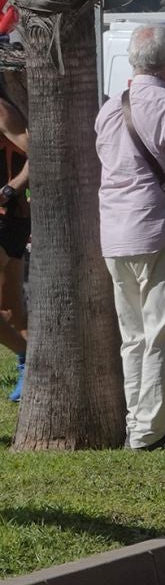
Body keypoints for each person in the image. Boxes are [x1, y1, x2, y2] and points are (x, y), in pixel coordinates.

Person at [96, 23, 165, 451]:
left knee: (134, 336)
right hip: (155, 228)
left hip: (114, 231)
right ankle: (149, 432)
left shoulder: (109, 109)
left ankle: (137, 423)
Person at [0, 89, 30, 401]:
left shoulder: (2, 110)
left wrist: (10, 189)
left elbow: (39, 153)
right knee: (10, 313)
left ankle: (28, 357)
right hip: (12, 222)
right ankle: (30, 366)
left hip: (7, 218)